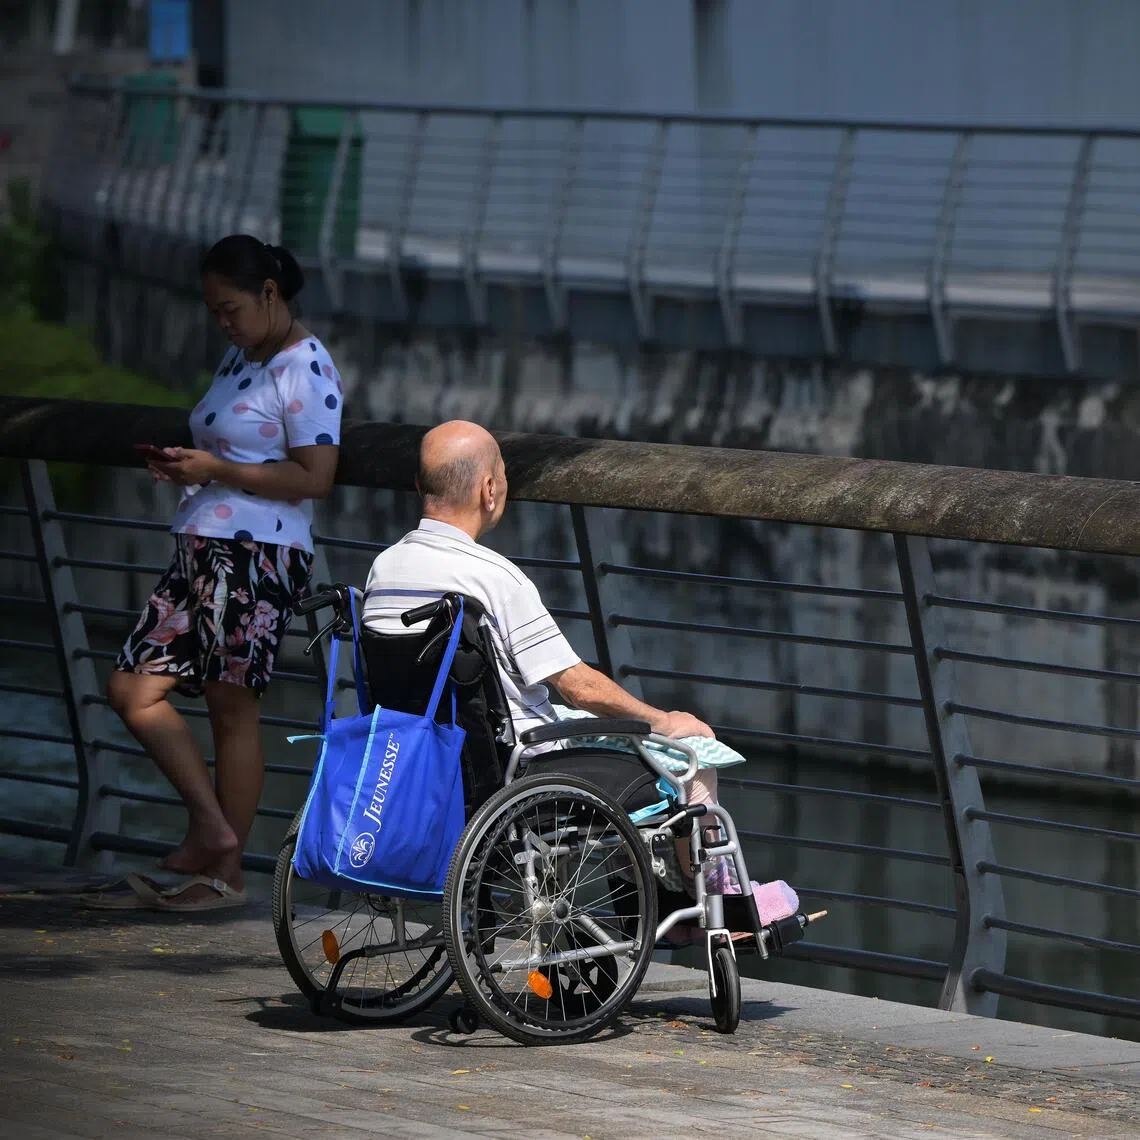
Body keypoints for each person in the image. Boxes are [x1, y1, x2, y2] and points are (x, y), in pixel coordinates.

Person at [361, 421, 724, 874]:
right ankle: (702, 909)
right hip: (517, 770)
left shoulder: (384, 569)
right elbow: (577, 688)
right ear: (489, 490)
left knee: (621, 753)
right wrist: (663, 720)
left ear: (420, 486)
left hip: (423, 764)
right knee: (689, 761)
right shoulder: (494, 578)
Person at [101, 234, 343, 912]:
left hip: (256, 555)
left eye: (230, 308)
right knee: (131, 689)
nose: (222, 323)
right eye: (214, 311)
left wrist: (218, 471)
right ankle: (214, 833)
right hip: (201, 546)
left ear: (270, 294)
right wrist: (190, 465)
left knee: (231, 709)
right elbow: (234, 441)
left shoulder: (307, 366)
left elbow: (313, 477)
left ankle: (224, 876)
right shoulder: (245, 356)